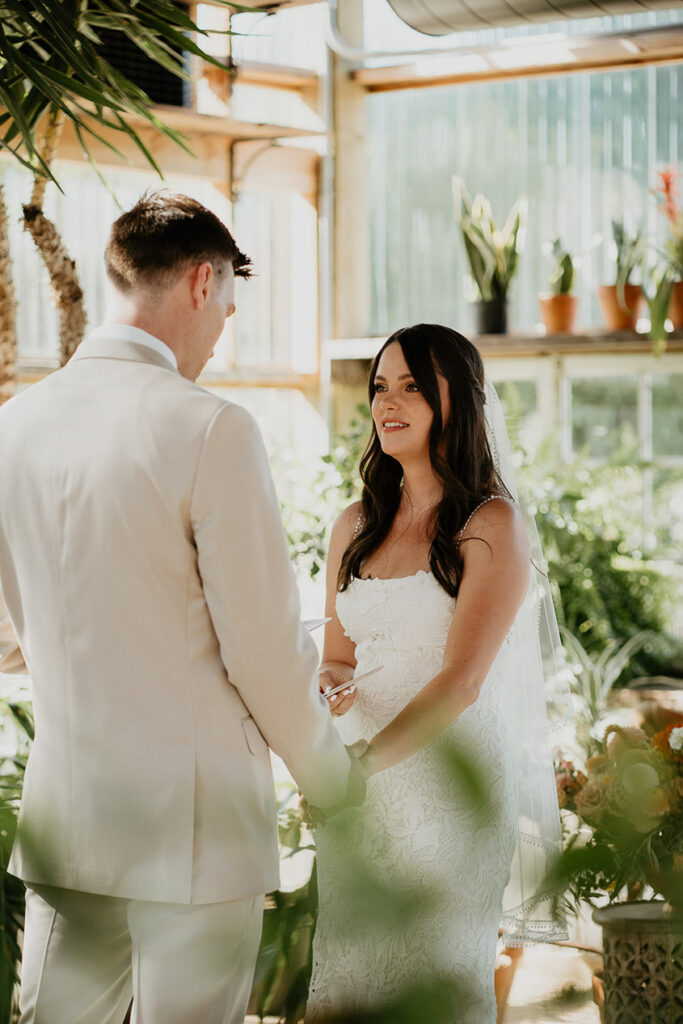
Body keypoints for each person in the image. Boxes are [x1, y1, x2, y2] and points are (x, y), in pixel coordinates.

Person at [0, 191, 362, 1024]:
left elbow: (10, 639)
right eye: (227, 310)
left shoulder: (16, 425)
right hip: (194, 838)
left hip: (68, 821)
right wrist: (330, 781)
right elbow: (264, 653)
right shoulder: (210, 428)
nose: (219, 334)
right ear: (203, 283)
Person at [306, 324, 567, 1024]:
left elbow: (461, 681)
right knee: (353, 978)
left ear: (459, 400)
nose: (388, 402)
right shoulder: (353, 524)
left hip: (445, 789)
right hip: (356, 788)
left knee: (435, 982)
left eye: (413, 386)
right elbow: (335, 652)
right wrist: (332, 688)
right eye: (380, 386)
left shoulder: (490, 525)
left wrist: (362, 764)